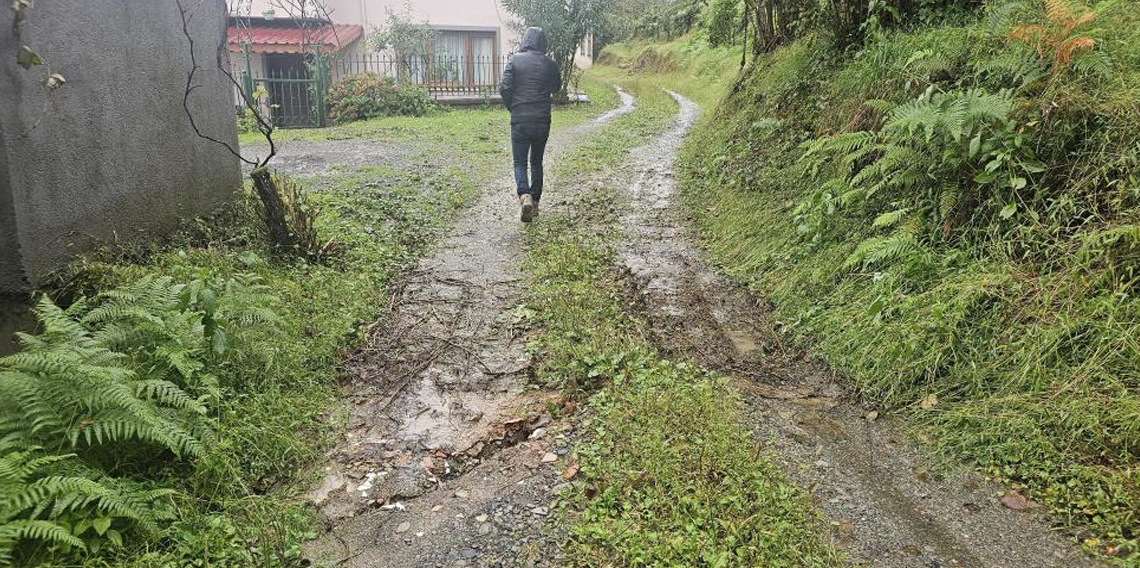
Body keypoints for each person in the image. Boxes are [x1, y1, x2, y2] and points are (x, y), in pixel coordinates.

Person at [499, 27, 560, 223]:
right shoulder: (550, 63)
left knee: (519, 162)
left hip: (520, 119)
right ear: (543, 42)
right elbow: (556, 87)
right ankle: (535, 204)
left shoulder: (514, 60)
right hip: (542, 119)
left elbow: (505, 87)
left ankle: (524, 194)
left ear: (525, 40)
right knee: (536, 162)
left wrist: (513, 107)